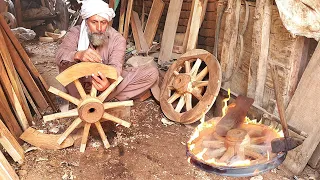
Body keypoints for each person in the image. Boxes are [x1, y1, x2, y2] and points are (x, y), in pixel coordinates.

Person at [56, 0, 158, 101]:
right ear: (86, 22)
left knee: (151, 73)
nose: (99, 28)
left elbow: (116, 67)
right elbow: (60, 55)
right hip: (78, 85)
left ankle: (103, 96)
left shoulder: (118, 39)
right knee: (66, 64)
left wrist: (108, 84)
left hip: (104, 85)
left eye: (103, 22)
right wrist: (78, 54)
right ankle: (104, 98)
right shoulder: (75, 33)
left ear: (108, 22)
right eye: (94, 22)